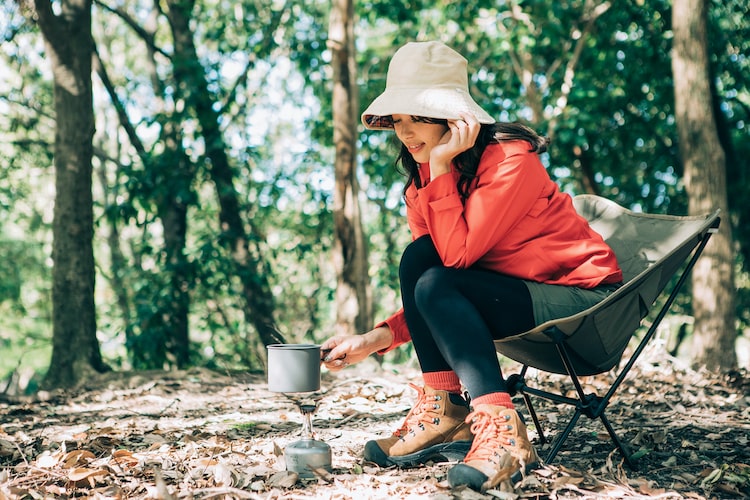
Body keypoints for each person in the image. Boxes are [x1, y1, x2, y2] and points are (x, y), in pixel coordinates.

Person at [320, 40, 623, 491]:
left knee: (429, 260)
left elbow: (456, 258)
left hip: (584, 310)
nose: (403, 131)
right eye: (396, 119)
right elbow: (433, 286)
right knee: (420, 259)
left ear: (454, 116)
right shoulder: (422, 185)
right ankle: (447, 410)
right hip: (519, 300)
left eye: (416, 116)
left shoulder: (510, 162)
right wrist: (374, 340)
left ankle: (504, 435)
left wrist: (441, 166)